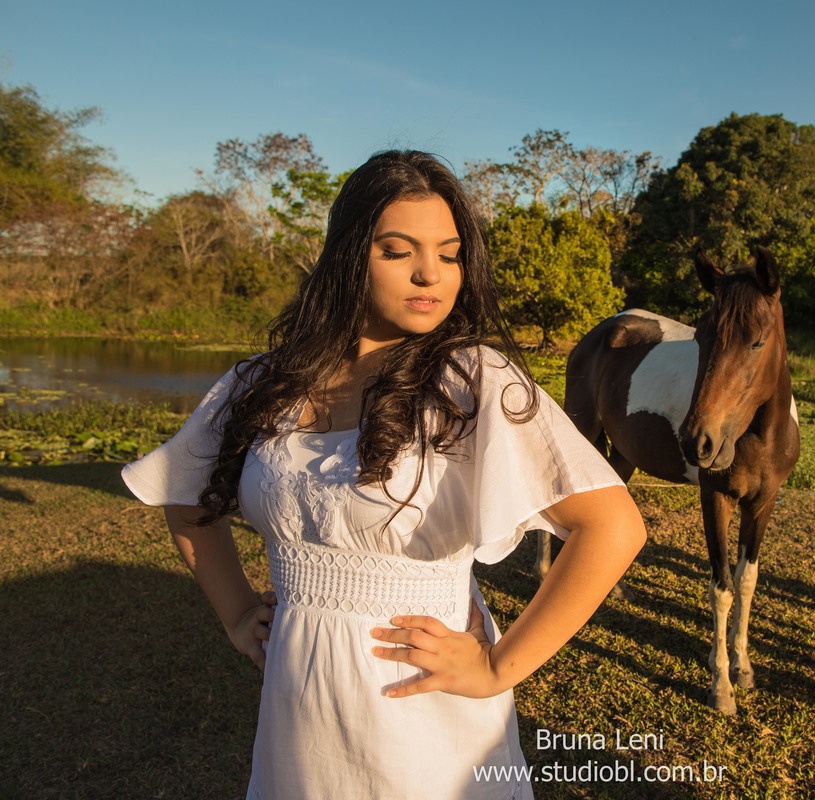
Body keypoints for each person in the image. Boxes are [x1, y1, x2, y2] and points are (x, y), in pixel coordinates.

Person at [121, 150, 646, 800]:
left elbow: (611, 526)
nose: (431, 273)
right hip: (300, 719)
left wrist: (498, 667)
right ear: (348, 255)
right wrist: (235, 613)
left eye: (449, 254)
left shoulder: (471, 381)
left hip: (425, 719)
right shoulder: (263, 381)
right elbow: (185, 493)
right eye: (399, 251)